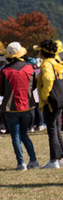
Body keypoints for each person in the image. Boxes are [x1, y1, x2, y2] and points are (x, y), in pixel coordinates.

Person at [0, 41, 40, 171]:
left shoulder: (5, 70)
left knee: (15, 136)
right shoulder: (30, 68)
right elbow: (34, 86)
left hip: (11, 108)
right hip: (27, 106)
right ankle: (33, 161)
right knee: (24, 135)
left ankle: (21, 163)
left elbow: (0, 91)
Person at [36, 39, 63, 168]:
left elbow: (48, 79)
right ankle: (61, 158)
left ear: (43, 52)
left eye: (39, 50)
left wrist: (45, 96)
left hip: (50, 100)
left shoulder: (46, 64)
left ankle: (53, 160)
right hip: (58, 99)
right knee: (57, 129)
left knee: (52, 130)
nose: (38, 52)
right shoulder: (56, 62)